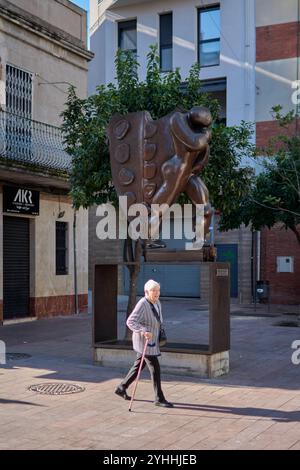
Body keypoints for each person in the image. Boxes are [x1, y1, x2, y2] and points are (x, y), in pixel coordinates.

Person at [115, 279, 173, 408]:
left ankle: (121, 387)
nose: (157, 293)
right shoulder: (142, 303)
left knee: (138, 366)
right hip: (145, 343)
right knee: (155, 369)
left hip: (152, 341)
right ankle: (159, 398)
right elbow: (130, 321)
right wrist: (143, 330)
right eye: (154, 291)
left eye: (158, 290)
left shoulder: (157, 302)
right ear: (147, 292)